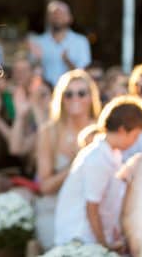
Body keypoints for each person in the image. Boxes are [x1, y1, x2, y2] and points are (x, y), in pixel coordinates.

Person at [53, 96, 142, 250]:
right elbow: (91, 207)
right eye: (135, 136)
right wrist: (104, 246)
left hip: (92, 239)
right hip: (79, 239)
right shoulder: (97, 158)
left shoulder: (112, 154)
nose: (135, 142)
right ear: (122, 131)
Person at [34, 69, 102, 249]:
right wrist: (76, 162)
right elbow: (45, 186)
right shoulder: (49, 132)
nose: (75, 98)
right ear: (61, 98)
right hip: (54, 206)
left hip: (91, 207)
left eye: (81, 93)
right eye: (68, 94)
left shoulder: (101, 129)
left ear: (91, 96)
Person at [29, 1, 91, 86]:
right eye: (54, 14)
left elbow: (83, 74)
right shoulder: (38, 42)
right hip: (45, 94)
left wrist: (68, 61)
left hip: (71, 93)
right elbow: (31, 74)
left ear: (70, 18)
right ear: (48, 18)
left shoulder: (81, 42)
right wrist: (37, 61)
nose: (57, 17)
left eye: (61, 14)